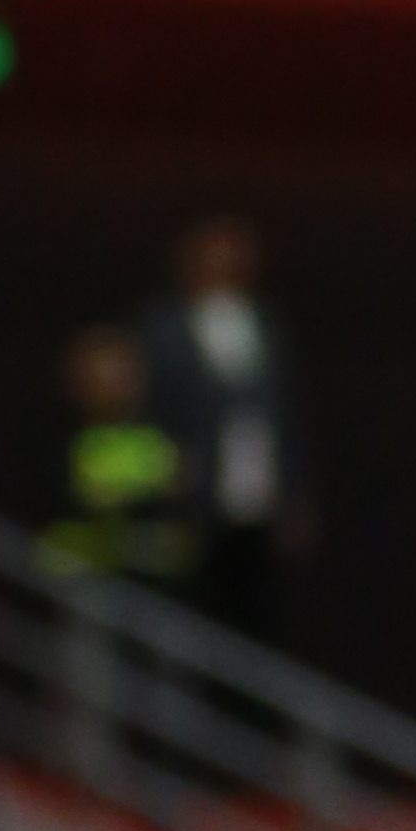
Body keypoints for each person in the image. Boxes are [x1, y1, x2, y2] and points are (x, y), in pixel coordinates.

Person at [135, 219, 303, 660]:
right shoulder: (165, 326)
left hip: (255, 494)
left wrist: (292, 488)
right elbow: (156, 407)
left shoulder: (264, 323)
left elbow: (282, 413)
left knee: (257, 618)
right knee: (194, 615)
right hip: (192, 498)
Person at [39, 328, 195, 598]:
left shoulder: (156, 440)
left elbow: (177, 502)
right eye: (101, 374)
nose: (115, 385)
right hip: (83, 585)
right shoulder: (58, 443)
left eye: (123, 373)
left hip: (154, 588)